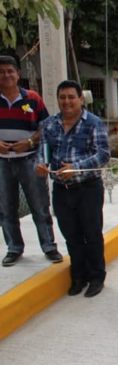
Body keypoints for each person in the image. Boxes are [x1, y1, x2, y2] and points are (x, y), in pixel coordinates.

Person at [36, 80, 109, 297]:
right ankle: (79, 276)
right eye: (62, 97)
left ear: (80, 99)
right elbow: (43, 151)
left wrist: (75, 168)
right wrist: (40, 164)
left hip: (88, 188)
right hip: (61, 189)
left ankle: (96, 277)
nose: (66, 102)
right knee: (71, 235)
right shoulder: (49, 124)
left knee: (92, 233)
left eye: (71, 97)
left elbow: (103, 155)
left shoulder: (93, 123)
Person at [0, 54, 62, 267]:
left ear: (18, 74)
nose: (6, 75)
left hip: (29, 159)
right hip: (2, 162)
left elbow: (46, 126)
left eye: (10, 71)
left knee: (39, 204)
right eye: (1, 72)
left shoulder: (32, 98)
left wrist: (29, 141)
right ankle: (14, 248)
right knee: (6, 207)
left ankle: (49, 246)